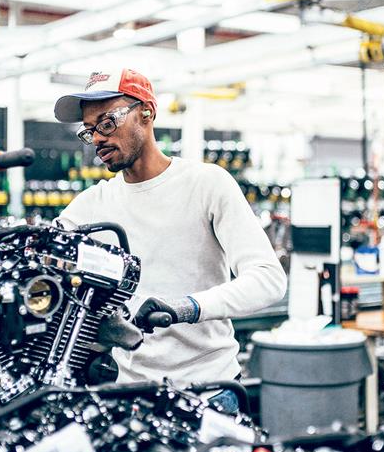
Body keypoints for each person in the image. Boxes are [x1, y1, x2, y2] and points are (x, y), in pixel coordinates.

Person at [53, 69, 287, 413]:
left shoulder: (206, 184)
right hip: (130, 395)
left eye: (106, 123)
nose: (98, 139)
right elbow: (38, 256)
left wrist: (186, 308)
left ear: (146, 113)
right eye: (90, 132)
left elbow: (268, 279)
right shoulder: (91, 205)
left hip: (208, 392)